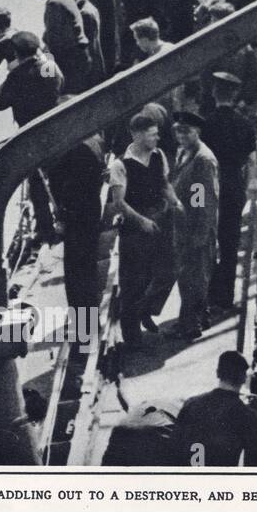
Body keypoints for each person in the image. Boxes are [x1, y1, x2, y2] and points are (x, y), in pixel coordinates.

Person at [108, 113, 179, 346]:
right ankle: (132, 335)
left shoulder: (158, 155)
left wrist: (177, 204)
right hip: (135, 229)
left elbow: (164, 184)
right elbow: (119, 203)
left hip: (159, 220)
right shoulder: (120, 165)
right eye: (152, 134)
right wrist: (142, 222)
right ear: (136, 135)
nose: (157, 138)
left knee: (167, 271)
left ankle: (145, 310)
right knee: (133, 281)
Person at [151, 111, 219, 340]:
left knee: (193, 279)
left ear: (197, 132)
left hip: (194, 228)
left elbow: (202, 201)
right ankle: (199, 317)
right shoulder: (186, 153)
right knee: (190, 277)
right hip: (182, 225)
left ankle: (190, 326)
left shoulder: (202, 160)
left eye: (186, 131)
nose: (181, 135)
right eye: (178, 131)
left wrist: (198, 235)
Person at [0, 31, 62, 244]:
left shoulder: (17, 76)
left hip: (29, 135)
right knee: (55, 174)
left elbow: (0, 104)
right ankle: (63, 217)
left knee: (36, 183)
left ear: (17, 53)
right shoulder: (48, 66)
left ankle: (46, 230)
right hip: (52, 127)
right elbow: (59, 82)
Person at [202, 73, 257, 311]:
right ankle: (225, 297)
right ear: (235, 96)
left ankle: (205, 295)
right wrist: (250, 188)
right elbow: (252, 161)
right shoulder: (245, 124)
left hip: (210, 186)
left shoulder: (206, 124)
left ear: (215, 94)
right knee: (229, 241)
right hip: (234, 186)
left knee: (206, 240)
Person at [173, 351, 257, 467]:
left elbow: (173, 447)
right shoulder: (248, 416)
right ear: (244, 378)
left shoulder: (191, 403)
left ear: (218, 374)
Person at [47, 127, 107, 311]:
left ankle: (82, 328)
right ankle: (89, 323)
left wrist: (61, 220)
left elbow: (60, 186)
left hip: (76, 221)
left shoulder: (71, 150)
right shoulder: (94, 142)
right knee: (88, 271)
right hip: (91, 216)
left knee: (75, 277)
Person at [29, 0, 91, 94]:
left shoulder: (54, 4)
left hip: (70, 63)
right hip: (80, 59)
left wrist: (47, 74)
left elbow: (53, 43)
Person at [56, 0, 105, 87]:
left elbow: (84, 50)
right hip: (95, 69)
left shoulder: (83, 15)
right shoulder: (89, 7)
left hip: (89, 76)